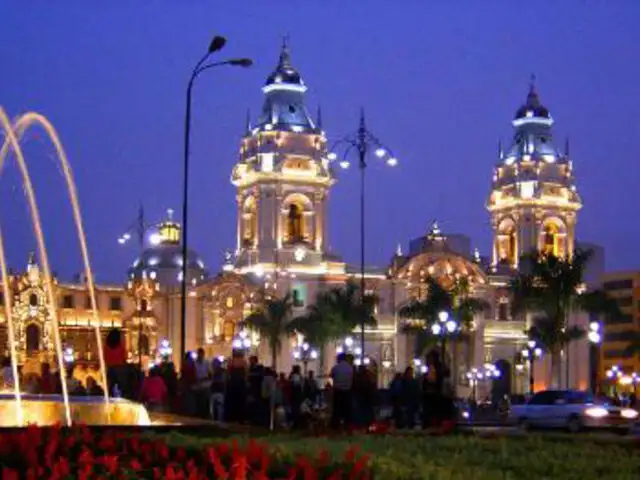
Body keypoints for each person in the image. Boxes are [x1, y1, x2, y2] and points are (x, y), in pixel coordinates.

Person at [422, 350, 445, 429]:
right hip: (428, 394)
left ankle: (435, 425)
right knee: (427, 411)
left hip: (435, 394)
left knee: (435, 411)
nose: (429, 360)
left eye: (431, 358)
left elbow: (438, 380)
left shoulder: (438, 368)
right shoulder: (428, 368)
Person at [330, 352, 354, 430]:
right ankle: (347, 425)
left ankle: (336, 426)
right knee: (347, 410)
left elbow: (332, 376)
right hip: (347, 391)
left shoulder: (335, 368)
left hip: (338, 391)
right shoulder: (350, 368)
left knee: (337, 410)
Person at [104, 328, 127, 396]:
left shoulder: (106, 346)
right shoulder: (120, 346)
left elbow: (105, 357)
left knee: (110, 387)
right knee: (121, 388)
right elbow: (124, 357)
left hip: (110, 368)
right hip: (120, 369)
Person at [193, 348, 211, 418]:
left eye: (201, 354)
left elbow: (210, 375)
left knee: (205, 404)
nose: (200, 356)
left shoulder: (207, 363)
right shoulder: (195, 363)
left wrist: (203, 379)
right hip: (197, 387)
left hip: (205, 386)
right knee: (198, 404)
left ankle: (205, 416)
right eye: (198, 354)